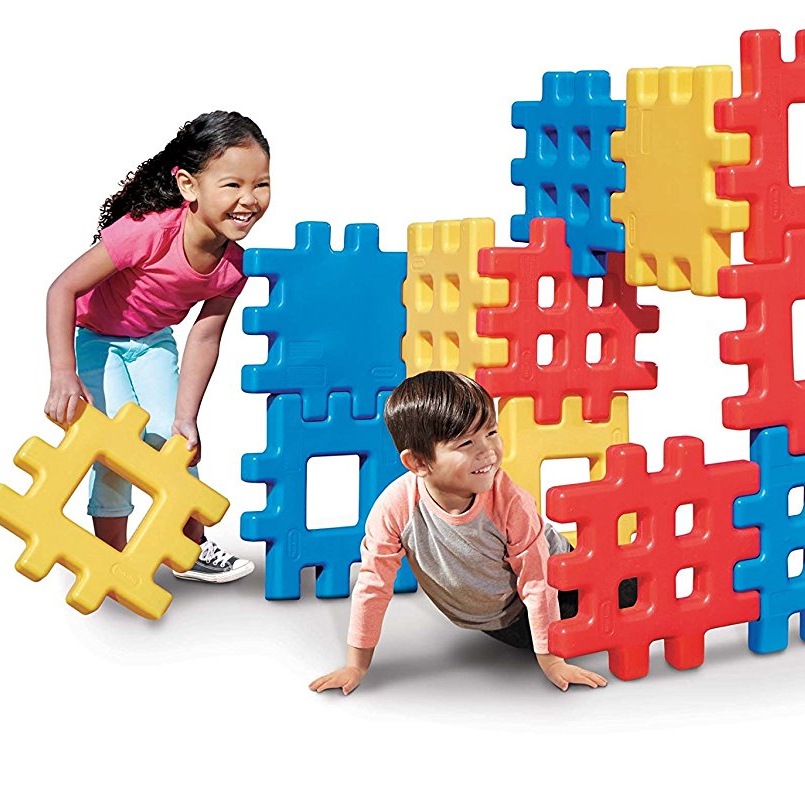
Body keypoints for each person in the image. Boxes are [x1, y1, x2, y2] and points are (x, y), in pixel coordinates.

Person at [44, 110, 269, 582]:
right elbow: (62, 288)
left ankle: (191, 548)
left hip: (153, 342)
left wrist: (187, 415)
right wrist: (63, 372)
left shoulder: (235, 266)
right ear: (189, 185)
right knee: (114, 445)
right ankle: (110, 555)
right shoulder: (148, 230)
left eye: (261, 184)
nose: (249, 199)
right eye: (232, 185)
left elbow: (205, 336)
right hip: (98, 340)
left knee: (176, 441)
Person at [309, 371, 627, 695]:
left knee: (627, 591)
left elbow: (537, 581)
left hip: (564, 581)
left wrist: (552, 661)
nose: (488, 451)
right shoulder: (396, 508)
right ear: (418, 462)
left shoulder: (511, 502)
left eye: (491, 432)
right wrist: (356, 665)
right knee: (546, 632)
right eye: (466, 443)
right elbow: (373, 584)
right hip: (504, 621)